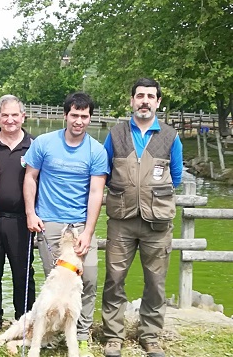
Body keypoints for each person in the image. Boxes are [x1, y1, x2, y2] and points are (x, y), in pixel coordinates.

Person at [101, 78, 183, 357]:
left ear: (158, 102)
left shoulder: (171, 136)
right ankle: (113, 336)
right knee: (114, 278)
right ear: (132, 101)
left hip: (157, 223)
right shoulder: (114, 134)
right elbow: (104, 171)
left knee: (156, 282)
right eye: (140, 96)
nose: (145, 101)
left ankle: (150, 335)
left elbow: (178, 176)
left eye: (150, 96)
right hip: (121, 221)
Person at [23, 91, 109, 357]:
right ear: (65, 115)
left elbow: (96, 192)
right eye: (74, 115)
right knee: (55, 285)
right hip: (49, 222)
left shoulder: (96, 150)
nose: (79, 121)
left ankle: (81, 335)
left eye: (84, 116)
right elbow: (31, 178)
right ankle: (47, 334)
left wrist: (89, 231)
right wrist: (30, 213)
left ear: (90, 118)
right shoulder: (44, 143)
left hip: (80, 225)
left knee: (89, 280)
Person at [0, 94, 35, 332]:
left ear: (23, 116)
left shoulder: (35, 145)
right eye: (5, 115)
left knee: (23, 272)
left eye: (15, 115)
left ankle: (25, 319)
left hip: (22, 221)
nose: (10, 120)